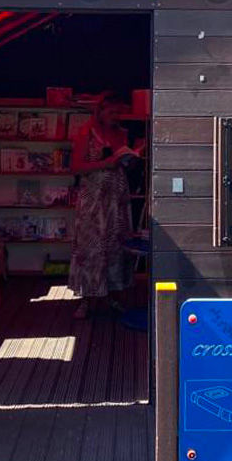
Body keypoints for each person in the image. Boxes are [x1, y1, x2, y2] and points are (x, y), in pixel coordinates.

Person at [69, 92, 141, 318]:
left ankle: (114, 296)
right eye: (111, 112)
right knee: (91, 247)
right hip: (94, 198)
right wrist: (107, 162)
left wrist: (133, 157)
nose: (115, 116)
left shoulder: (121, 133)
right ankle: (86, 300)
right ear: (100, 111)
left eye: (118, 112)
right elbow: (77, 167)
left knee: (116, 246)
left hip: (116, 198)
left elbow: (124, 166)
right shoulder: (86, 132)